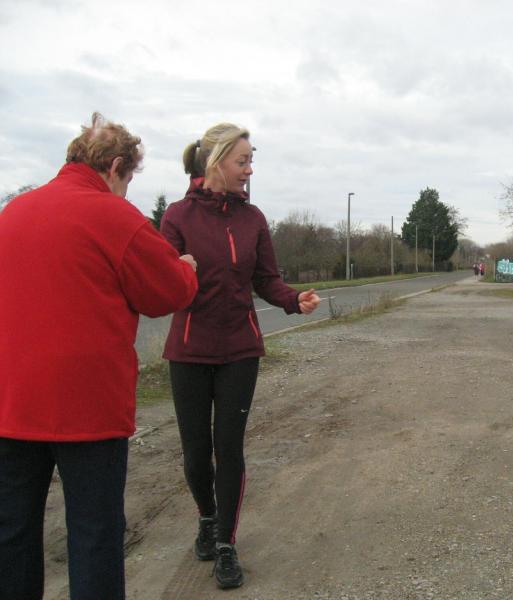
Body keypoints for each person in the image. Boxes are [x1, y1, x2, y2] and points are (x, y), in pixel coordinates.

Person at [0, 113, 198, 600]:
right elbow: (166, 293)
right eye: (128, 180)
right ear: (114, 167)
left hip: (11, 405)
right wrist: (186, 268)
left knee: (12, 535)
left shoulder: (13, 213)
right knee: (94, 537)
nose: (126, 191)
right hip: (87, 410)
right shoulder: (114, 216)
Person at [161, 123, 321, 590]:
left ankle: (227, 544)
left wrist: (293, 299)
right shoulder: (177, 216)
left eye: (251, 161)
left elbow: (266, 280)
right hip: (189, 350)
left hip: (240, 351)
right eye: (243, 161)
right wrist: (175, 269)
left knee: (228, 449)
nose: (250, 170)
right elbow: (162, 283)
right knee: (196, 453)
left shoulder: (253, 219)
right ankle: (207, 517)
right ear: (216, 163)